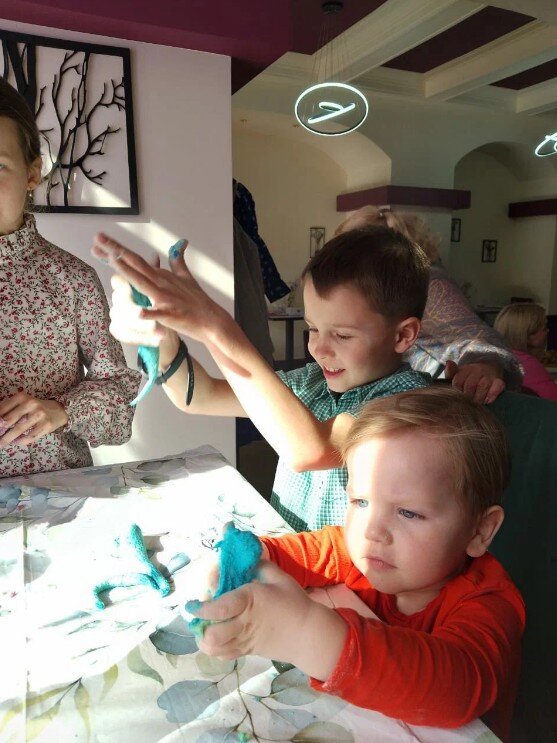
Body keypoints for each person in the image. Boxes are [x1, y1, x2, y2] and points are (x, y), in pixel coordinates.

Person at [188, 386, 525, 742]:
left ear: (480, 530)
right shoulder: (362, 554)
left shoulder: (491, 602)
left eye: (408, 512)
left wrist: (305, 633)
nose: (371, 530)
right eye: (361, 502)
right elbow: (297, 553)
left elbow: (457, 690)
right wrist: (242, 563)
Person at [92, 226, 431, 532]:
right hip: (293, 561)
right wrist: (161, 335)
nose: (319, 348)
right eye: (313, 329)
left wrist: (214, 325)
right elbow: (198, 396)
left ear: (403, 335)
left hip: (347, 578)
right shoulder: (309, 382)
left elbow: (309, 450)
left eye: (342, 335)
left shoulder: (411, 404)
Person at [0, 78, 140, 477]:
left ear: (32, 173)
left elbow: (120, 404)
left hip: (62, 495)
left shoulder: (73, 280)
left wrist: (62, 410)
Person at [335, 206, 522, 403]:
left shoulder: (426, 282)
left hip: (431, 402)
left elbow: (475, 336)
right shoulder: (361, 289)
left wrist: (484, 367)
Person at [494, 302, 557, 401]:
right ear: (528, 336)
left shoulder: (496, 357)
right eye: (544, 328)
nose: (548, 331)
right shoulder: (526, 363)